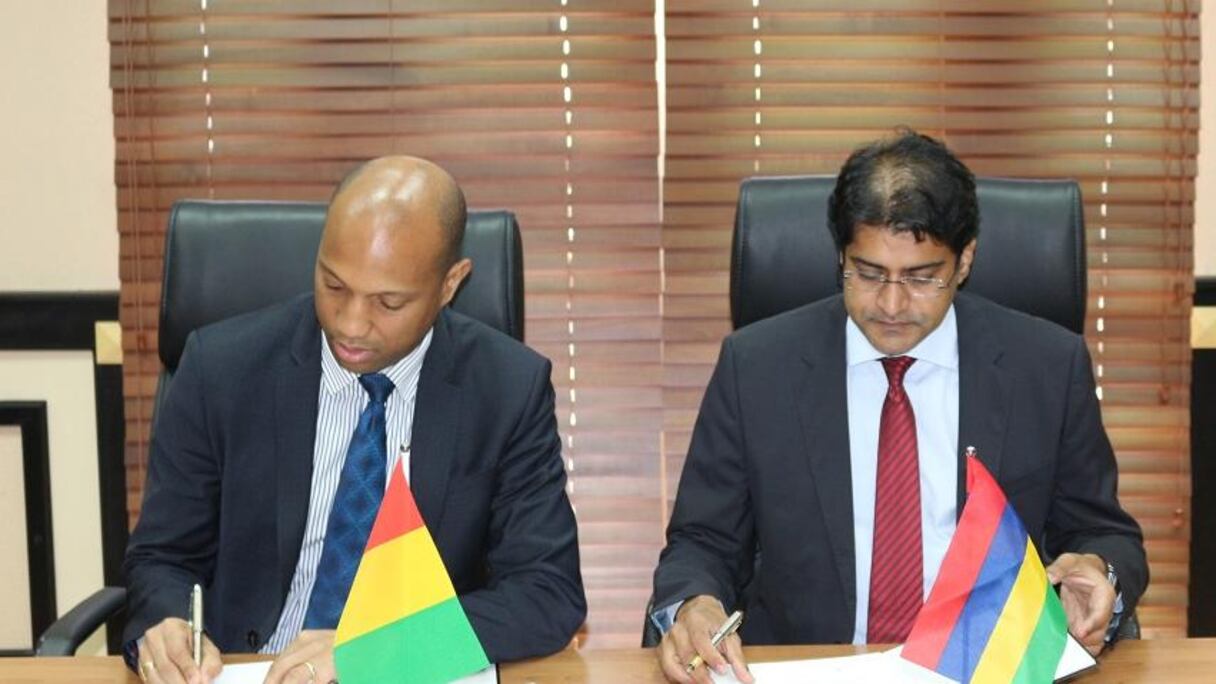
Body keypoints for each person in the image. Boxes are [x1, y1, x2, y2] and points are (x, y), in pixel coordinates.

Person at [650, 130, 1147, 683]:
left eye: (920, 278)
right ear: (840, 255)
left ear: (964, 262)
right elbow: (703, 541)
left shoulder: (1047, 368)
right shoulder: (757, 368)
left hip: (990, 672)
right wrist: (694, 605)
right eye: (867, 273)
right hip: (810, 671)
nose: (890, 304)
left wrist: (1098, 571)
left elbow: (1104, 535)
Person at [124, 157, 585, 684]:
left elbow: (548, 592)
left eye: (388, 303)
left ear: (450, 283)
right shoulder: (222, 368)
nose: (350, 324)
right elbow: (161, 558)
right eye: (334, 285)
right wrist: (167, 623)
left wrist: (376, 650)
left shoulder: (506, 390)